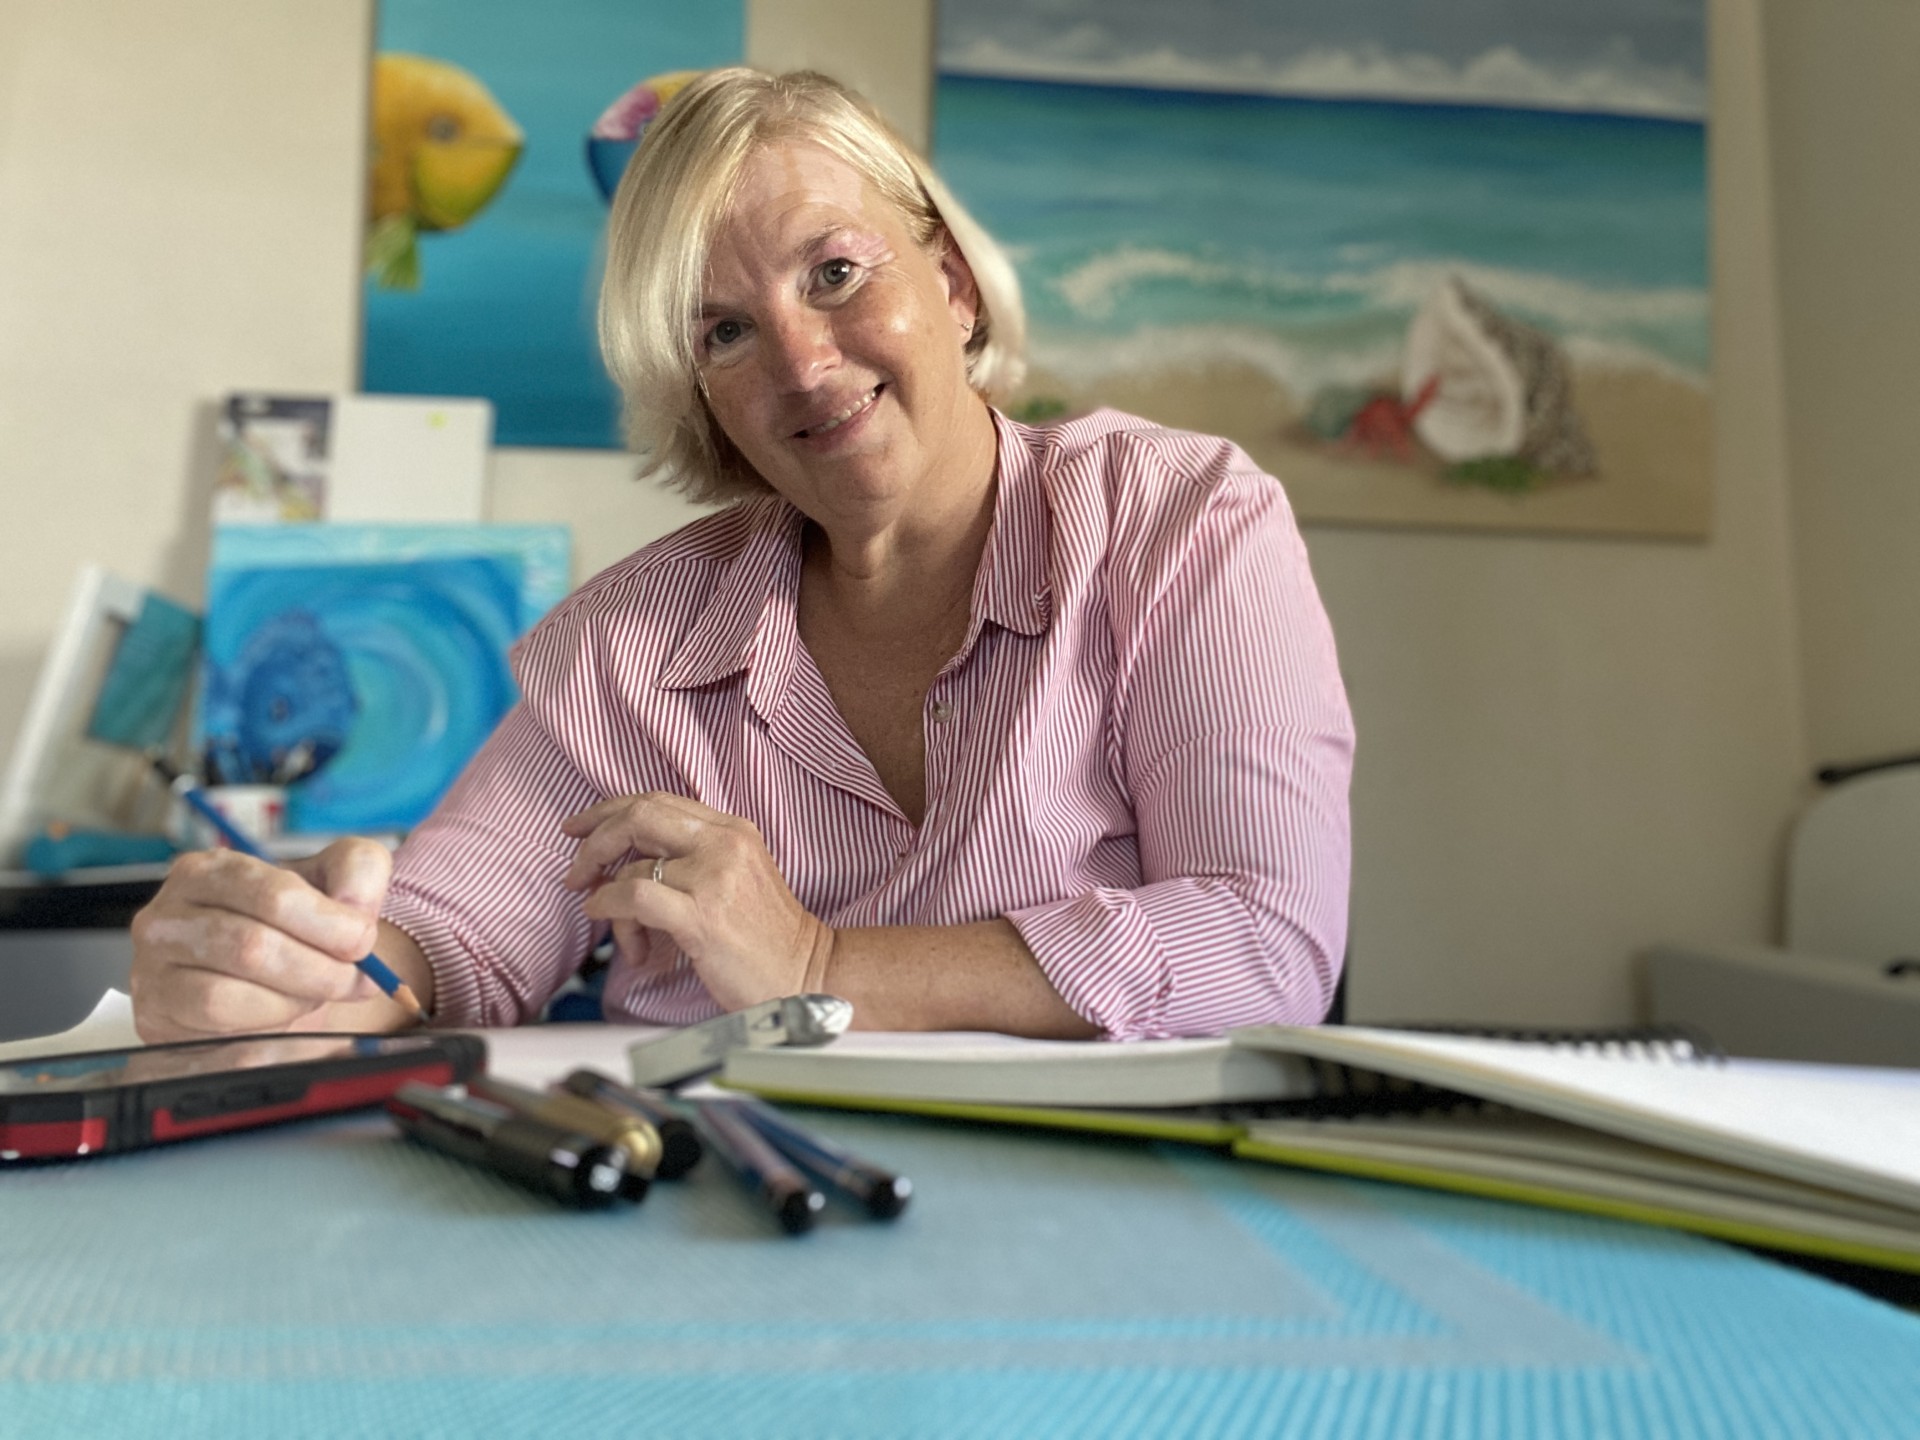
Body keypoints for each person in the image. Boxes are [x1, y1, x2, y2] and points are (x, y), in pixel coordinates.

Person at [130, 68, 1353, 1045]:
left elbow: (1264, 944)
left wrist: (819, 966)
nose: (804, 363)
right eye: (725, 329)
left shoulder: (1179, 524)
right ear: (700, 393)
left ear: (955, 282)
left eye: (835, 273)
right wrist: (299, 971)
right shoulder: (632, 643)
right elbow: (455, 936)